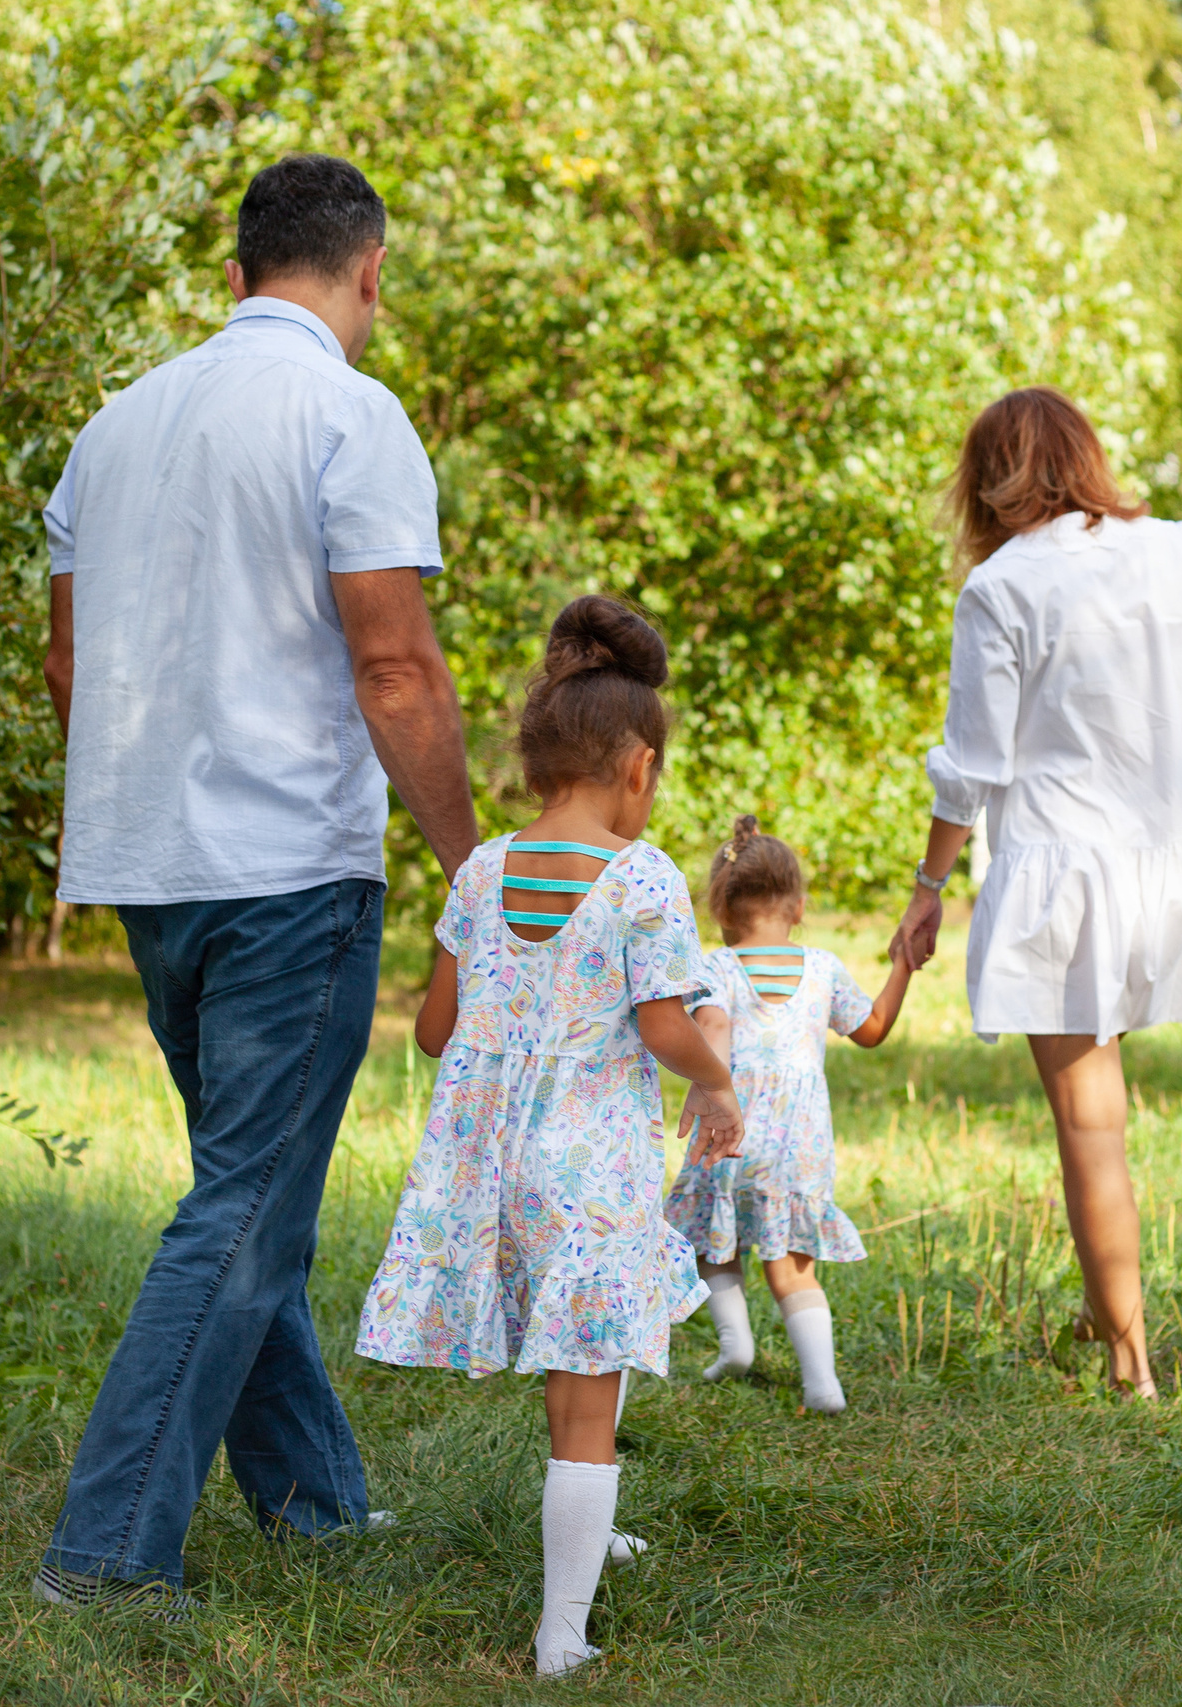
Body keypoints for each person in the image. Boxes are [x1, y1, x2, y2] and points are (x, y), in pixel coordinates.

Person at [32, 155, 480, 1618]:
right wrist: (471, 870)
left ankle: (317, 1511)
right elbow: (396, 667)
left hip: (149, 867)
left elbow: (68, 667)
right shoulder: (348, 414)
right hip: (287, 868)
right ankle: (107, 1556)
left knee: (247, 1192)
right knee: (244, 1210)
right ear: (371, 274)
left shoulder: (112, 427)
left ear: (234, 279)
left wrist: (147, 804)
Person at [353, 595, 744, 1678]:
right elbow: (663, 1026)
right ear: (637, 767)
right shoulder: (642, 877)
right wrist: (718, 1078)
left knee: (569, 1373)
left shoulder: (480, 872)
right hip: (590, 1172)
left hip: (489, 1173)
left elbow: (434, 1031)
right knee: (585, 1401)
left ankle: (588, 1524)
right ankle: (561, 1634)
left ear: (536, 764)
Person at [892, 386, 1182, 1400]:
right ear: (1085, 456)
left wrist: (928, 886)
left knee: (1090, 1124)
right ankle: (1101, 1306)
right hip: (1171, 871)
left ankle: (1130, 1364)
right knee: (1100, 1123)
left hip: (1064, 885)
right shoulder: (1180, 548)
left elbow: (972, 768)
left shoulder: (999, 588)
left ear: (989, 481)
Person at [666, 817, 913, 1414]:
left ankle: (737, 1345)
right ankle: (822, 1384)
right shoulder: (823, 967)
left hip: (731, 1133)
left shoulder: (717, 968)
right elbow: (872, 1030)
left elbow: (713, 1026)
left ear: (721, 908)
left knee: (716, 1244)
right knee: (791, 1267)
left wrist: (711, 1088)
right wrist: (902, 965)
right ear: (798, 906)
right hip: (800, 1146)